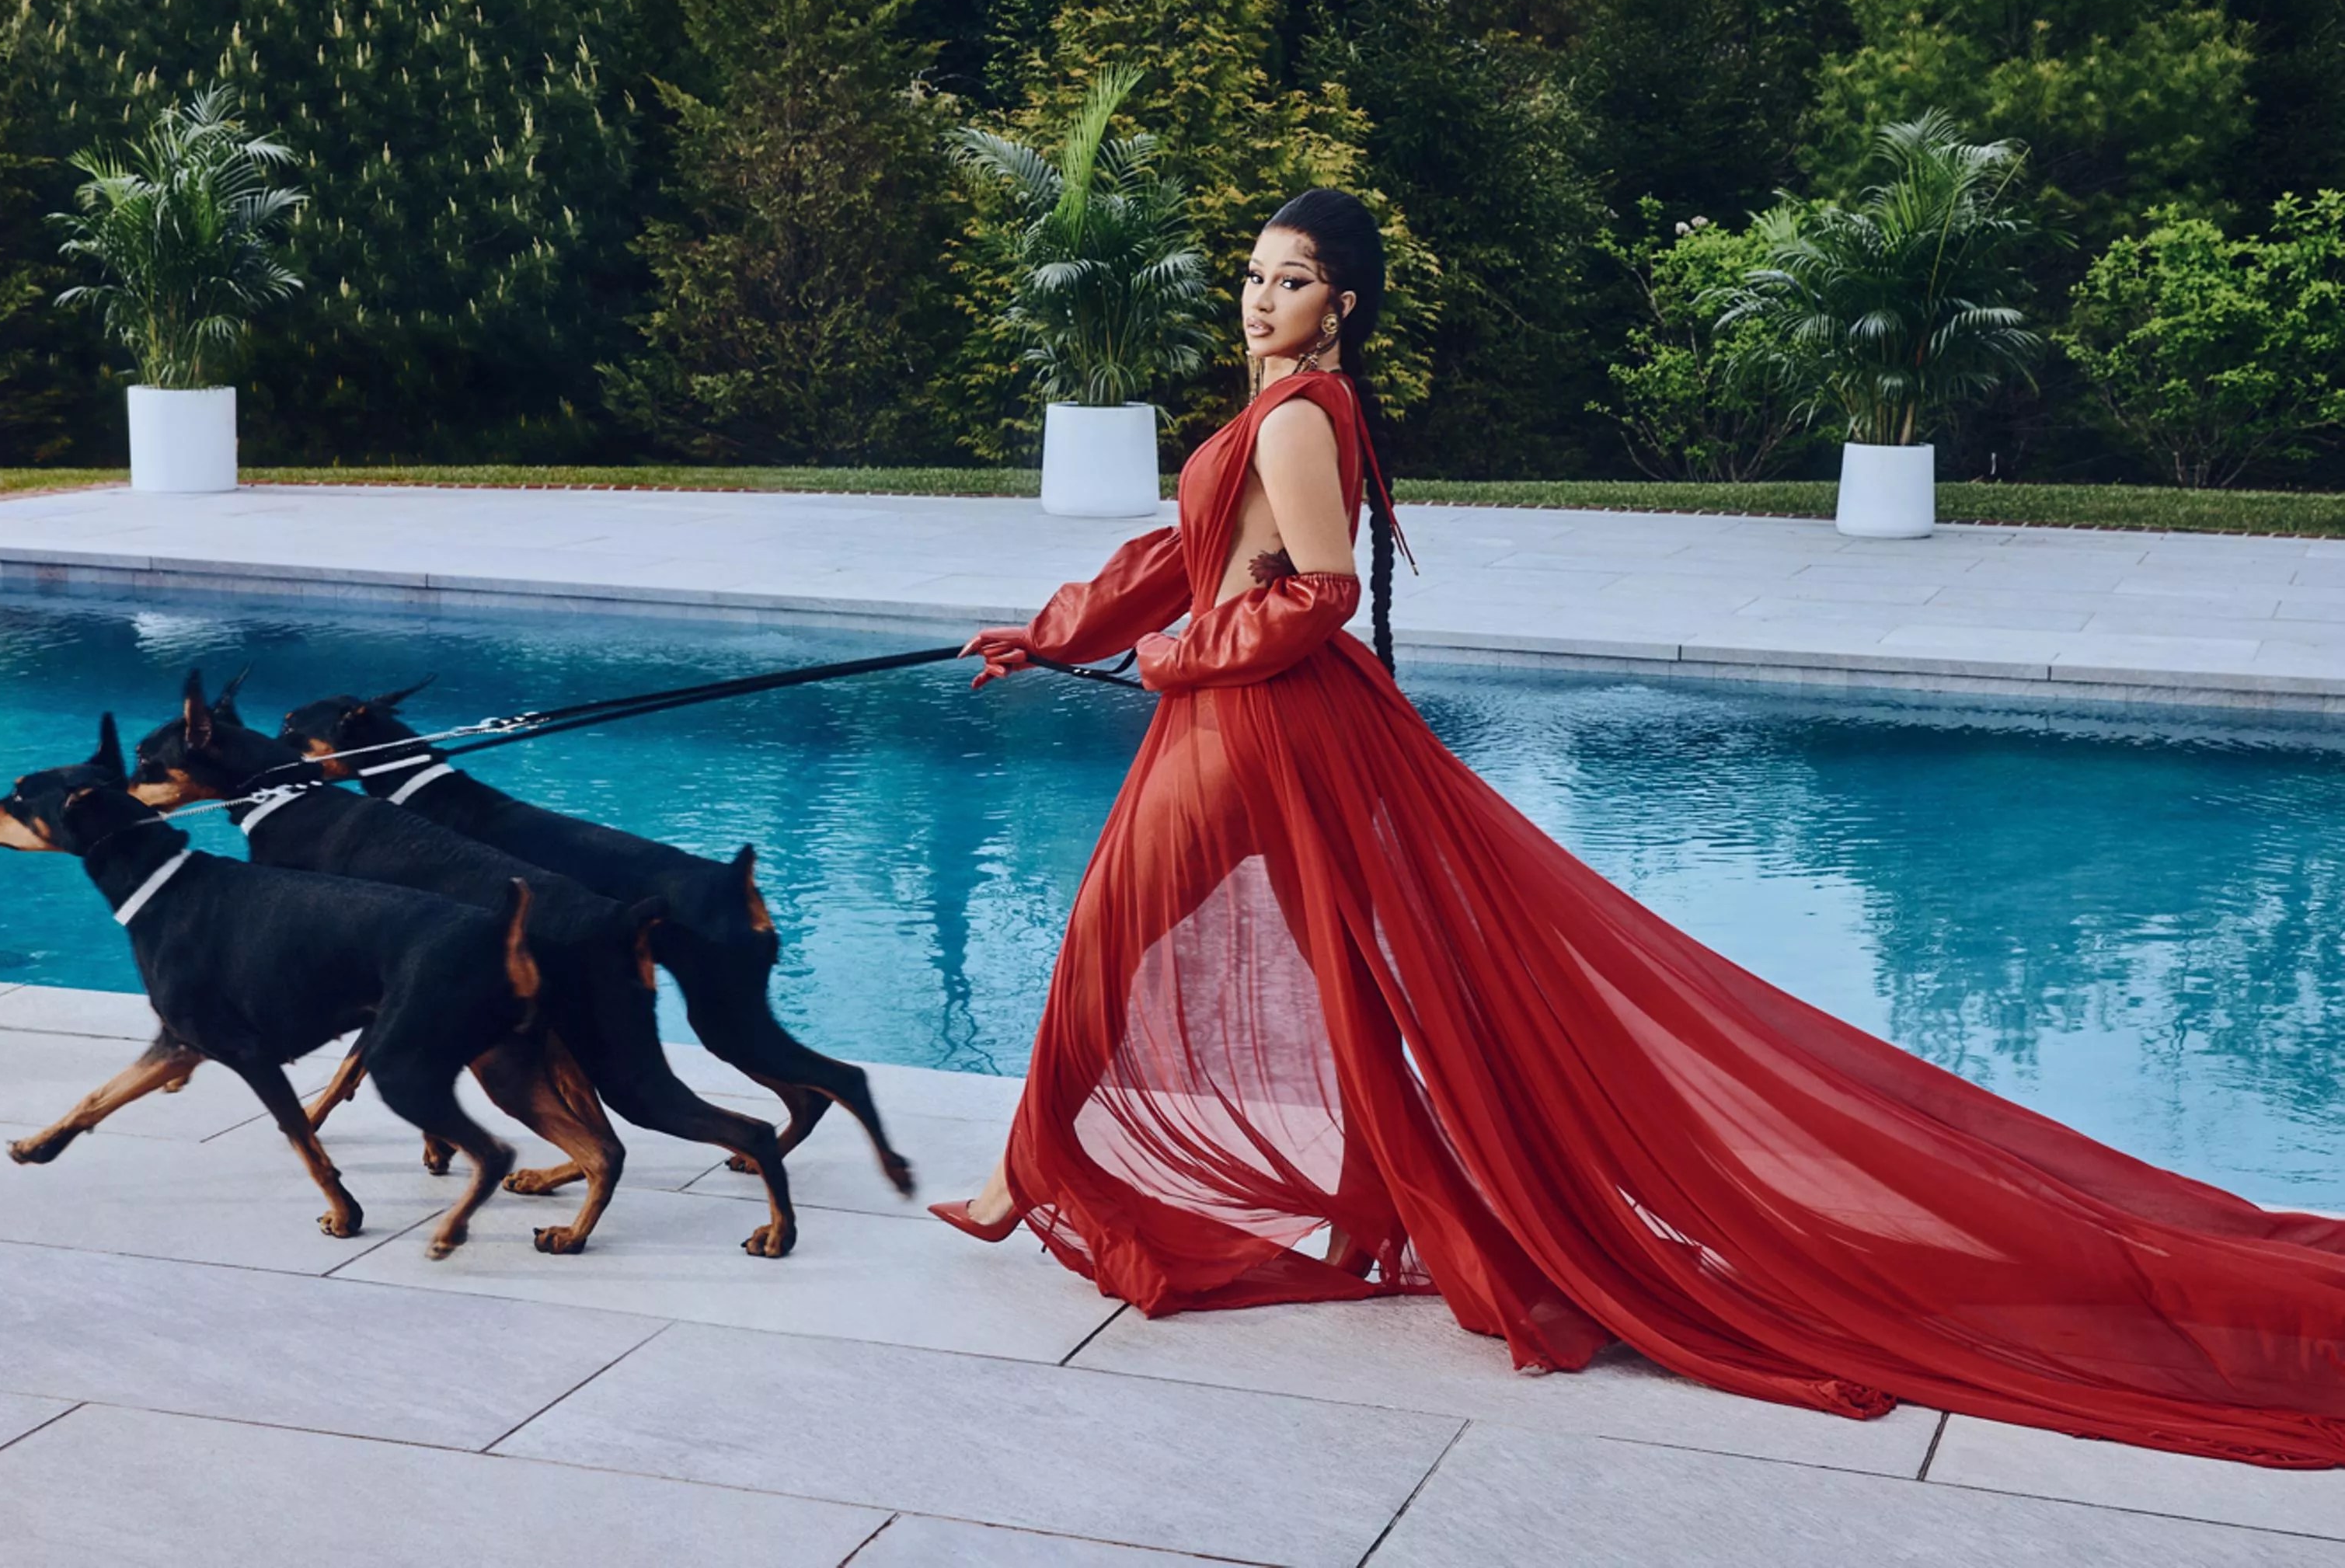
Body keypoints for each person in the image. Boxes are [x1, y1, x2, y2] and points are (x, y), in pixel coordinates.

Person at [929, 186, 2345, 1469]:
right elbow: (1179, 559)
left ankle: (1024, 1182)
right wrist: (1052, 635)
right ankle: (1337, 1199)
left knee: (1108, 944)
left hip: (1256, 733)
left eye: (1290, 281)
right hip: (1251, 728)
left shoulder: (1301, 416)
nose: (1259, 298)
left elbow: (1315, 594)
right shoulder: (1270, 411)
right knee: (1341, 984)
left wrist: (1163, 664)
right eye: (1253, 274)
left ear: (1339, 304)